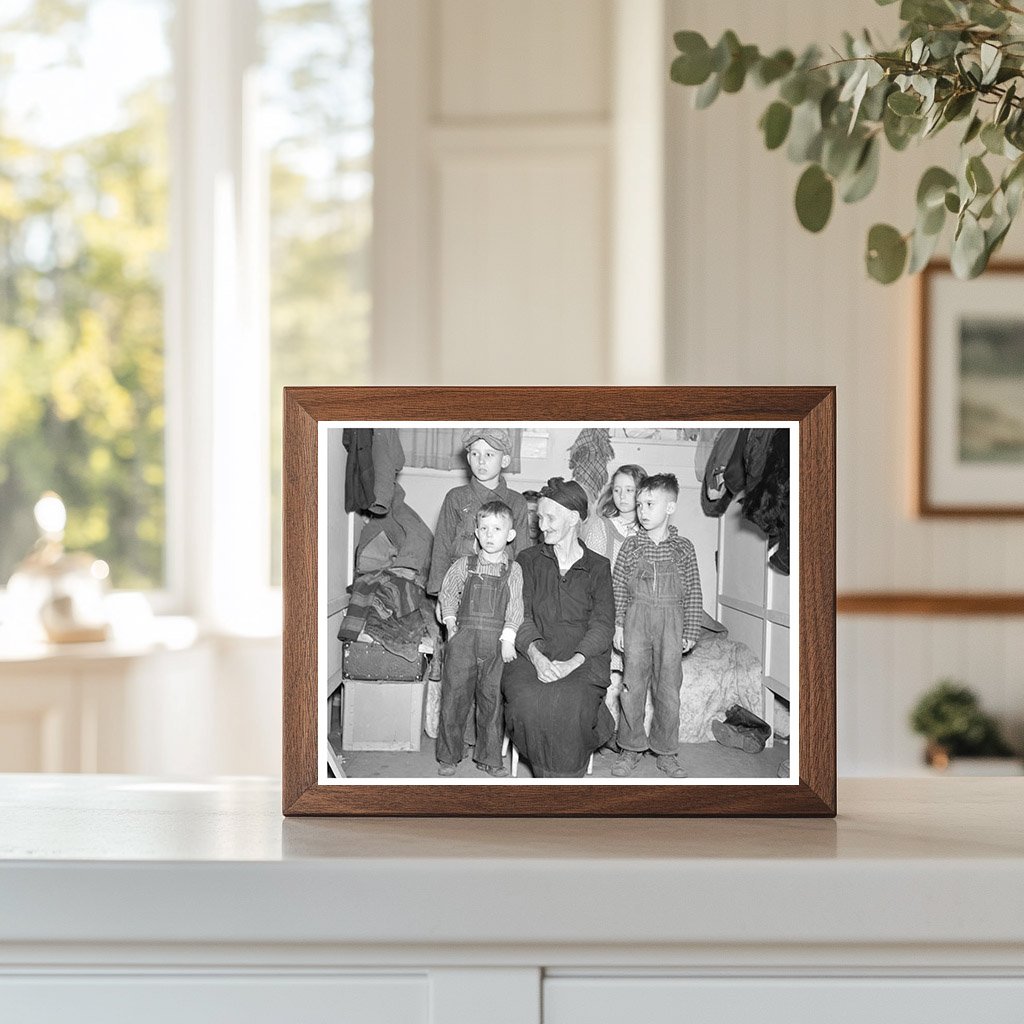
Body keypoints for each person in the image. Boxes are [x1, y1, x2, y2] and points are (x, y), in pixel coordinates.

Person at [502, 478, 616, 778]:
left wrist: (572, 663)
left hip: (583, 658)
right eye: (539, 517)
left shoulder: (598, 567)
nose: (542, 525)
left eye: (550, 517)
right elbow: (520, 615)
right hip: (532, 652)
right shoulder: (527, 560)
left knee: (572, 705)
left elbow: (603, 625)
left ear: (574, 517)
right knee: (527, 702)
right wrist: (538, 658)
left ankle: (559, 787)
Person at [610, 473, 703, 779]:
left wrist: (690, 630)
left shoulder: (684, 548)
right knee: (632, 687)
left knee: (668, 691)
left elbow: (694, 591)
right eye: (639, 505)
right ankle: (630, 748)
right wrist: (619, 626)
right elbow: (618, 589)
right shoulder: (631, 546)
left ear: (670, 507)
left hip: (671, 622)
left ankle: (666, 750)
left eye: (650, 503)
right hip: (636, 620)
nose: (642, 511)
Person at [435, 501, 523, 777]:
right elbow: (447, 592)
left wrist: (509, 637)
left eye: (497, 528)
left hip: (496, 645)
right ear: (476, 531)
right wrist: (450, 622)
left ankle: (490, 758)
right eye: (484, 528)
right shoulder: (465, 564)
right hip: (463, 642)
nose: (489, 534)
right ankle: (449, 755)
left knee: (492, 703)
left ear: (509, 535)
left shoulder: (513, 570)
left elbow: (516, 606)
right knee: (454, 699)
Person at [426, 428, 531, 596]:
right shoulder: (456, 498)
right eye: (475, 454)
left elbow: (523, 553)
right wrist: (441, 594)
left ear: (504, 461)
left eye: (489, 455)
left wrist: (522, 596)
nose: (481, 461)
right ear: (468, 458)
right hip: (460, 586)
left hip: (502, 588)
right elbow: (442, 547)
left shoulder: (516, 502)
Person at [582, 463, 646, 569]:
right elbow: (591, 570)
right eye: (617, 490)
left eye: (629, 490)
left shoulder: (650, 530)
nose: (622, 496)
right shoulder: (602, 527)